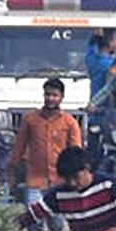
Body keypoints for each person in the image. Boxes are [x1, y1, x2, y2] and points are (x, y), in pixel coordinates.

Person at [9, 78, 84, 206]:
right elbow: (19, 148)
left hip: (60, 182)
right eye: (48, 94)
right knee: (35, 219)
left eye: (55, 95)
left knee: (58, 223)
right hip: (34, 180)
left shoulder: (69, 122)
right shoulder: (31, 119)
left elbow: (75, 154)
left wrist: (76, 180)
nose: (50, 98)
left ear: (62, 97)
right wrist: (13, 175)